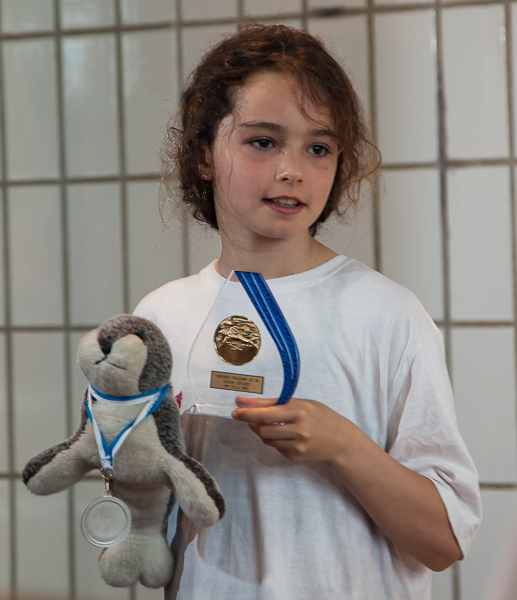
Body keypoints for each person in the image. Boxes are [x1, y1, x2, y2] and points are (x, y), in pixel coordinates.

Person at [134, 23, 481, 599]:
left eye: (317, 148)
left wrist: (342, 445)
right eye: (262, 142)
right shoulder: (162, 316)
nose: (291, 169)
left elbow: (443, 542)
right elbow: (148, 514)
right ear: (203, 155)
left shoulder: (386, 314)